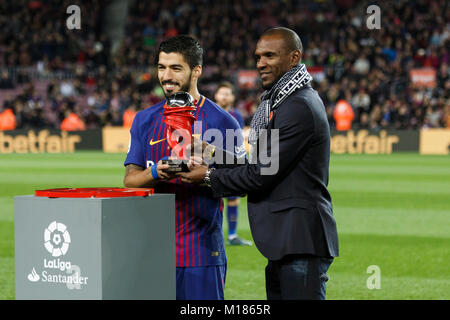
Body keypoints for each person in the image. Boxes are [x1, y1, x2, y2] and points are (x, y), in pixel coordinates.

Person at [179, 27, 339, 300]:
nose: (260, 63)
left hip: (299, 241)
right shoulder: (284, 100)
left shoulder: (297, 106)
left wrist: (207, 176)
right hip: (287, 242)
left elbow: (260, 175)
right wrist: (211, 152)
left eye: (269, 56)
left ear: (294, 58)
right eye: (258, 57)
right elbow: (262, 163)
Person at [123, 35, 245, 300]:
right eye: (161, 67)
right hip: (152, 252)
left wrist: (208, 174)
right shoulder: (144, 120)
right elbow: (130, 181)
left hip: (201, 254)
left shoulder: (223, 122)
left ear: (196, 71)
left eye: (176, 68)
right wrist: (157, 172)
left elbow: (244, 178)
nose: (166, 76)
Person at [214, 81, 252, 246]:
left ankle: (232, 235)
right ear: (216, 95)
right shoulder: (208, 112)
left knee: (233, 199)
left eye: (227, 93)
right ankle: (215, 235)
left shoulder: (237, 116)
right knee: (213, 199)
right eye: (221, 93)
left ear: (233, 97)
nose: (224, 96)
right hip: (210, 159)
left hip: (229, 161)